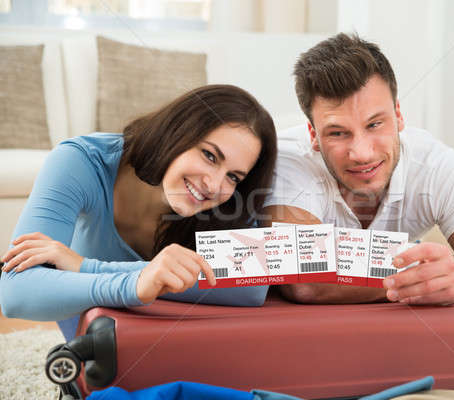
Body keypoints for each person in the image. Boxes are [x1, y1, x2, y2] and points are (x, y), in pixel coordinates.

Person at [263, 33, 454, 307]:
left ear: (399, 115)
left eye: (375, 124)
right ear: (313, 135)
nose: (362, 153)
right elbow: (303, 274)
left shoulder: (433, 164)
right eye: (338, 133)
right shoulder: (288, 157)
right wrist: (423, 269)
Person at [0, 84, 277, 341]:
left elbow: (252, 287)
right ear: (177, 132)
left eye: (233, 177)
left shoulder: (231, 204)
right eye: (209, 155)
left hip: (176, 349)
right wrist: (133, 285)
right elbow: (16, 293)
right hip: (98, 353)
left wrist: (85, 267)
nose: (214, 185)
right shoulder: (81, 161)